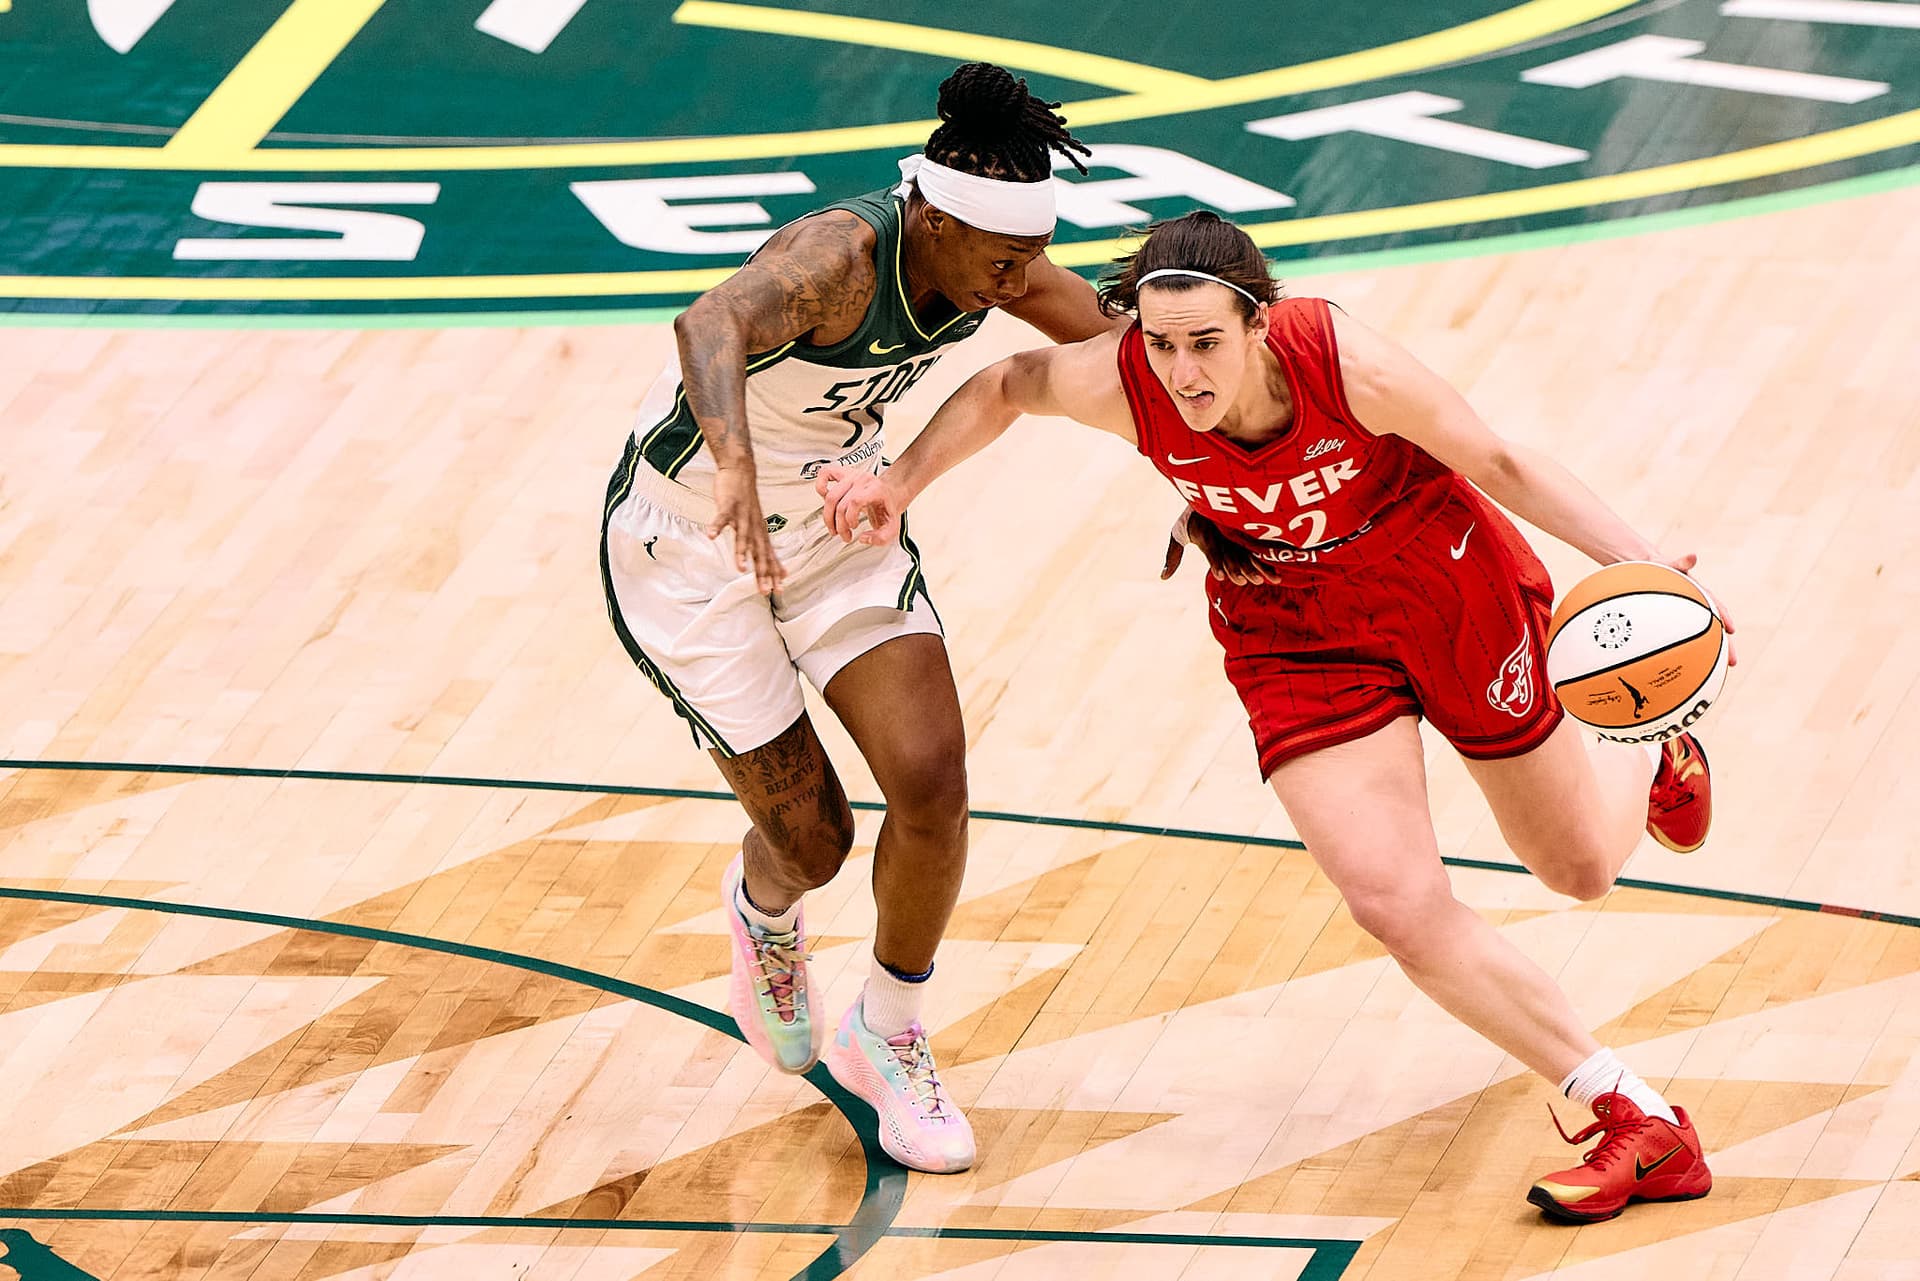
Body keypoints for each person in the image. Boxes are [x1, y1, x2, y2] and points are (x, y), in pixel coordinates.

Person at [816, 210, 1730, 1221]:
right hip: (1292, 628)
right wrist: (899, 484)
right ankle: (1636, 1120)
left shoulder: (1344, 363)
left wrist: (1637, 564)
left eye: (1206, 342)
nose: (1182, 373)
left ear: (1259, 326)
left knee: (1580, 871)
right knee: (1393, 904)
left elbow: (1499, 462)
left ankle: (1652, 761)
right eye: (1162, 344)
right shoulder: (1124, 377)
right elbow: (1005, 386)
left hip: (1444, 587)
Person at [599, 62, 1120, 1175]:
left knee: (932, 776)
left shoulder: (992, 262)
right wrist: (736, 464)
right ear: (928, 218)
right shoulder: (837, 257)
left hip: (840, 521)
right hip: (696, 539)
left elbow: (1118, 341)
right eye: (1002, 259)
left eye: (1028, 258)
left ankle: (889, 1033)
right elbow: (706, 325)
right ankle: (766, 912)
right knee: (817, 842)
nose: (1019, 281)